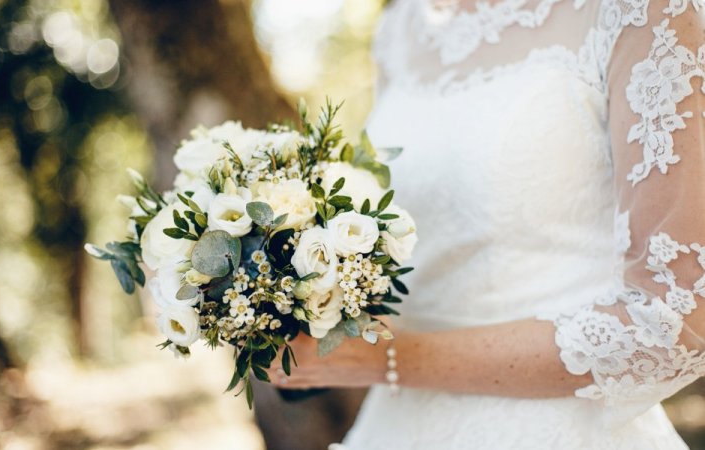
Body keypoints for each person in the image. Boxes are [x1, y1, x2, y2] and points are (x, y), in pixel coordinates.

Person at [269, 0, 705, 448]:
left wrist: (391, 358)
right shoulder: (401, 27)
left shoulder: (640, 12)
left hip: (564, 429)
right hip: (397, 427)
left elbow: (674, 320)